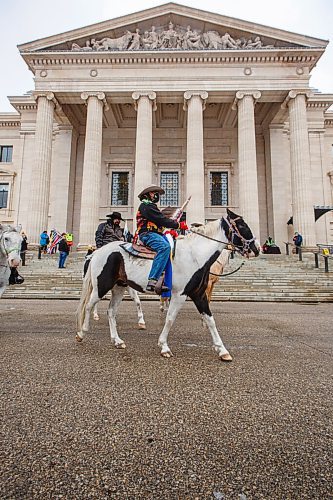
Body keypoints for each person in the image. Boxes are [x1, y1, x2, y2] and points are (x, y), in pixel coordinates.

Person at [136, 185, 188, 293]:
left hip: (155, 234)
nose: (156, 195)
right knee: (164, 247)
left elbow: (161, 222)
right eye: (154, 193)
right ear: (147, 195)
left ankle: (165, 279)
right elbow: (161, 220)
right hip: (148, 234)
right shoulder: (146, 206)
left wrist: (173, 224)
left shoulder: (151, 207)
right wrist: (178, 225)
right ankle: (152, 279)